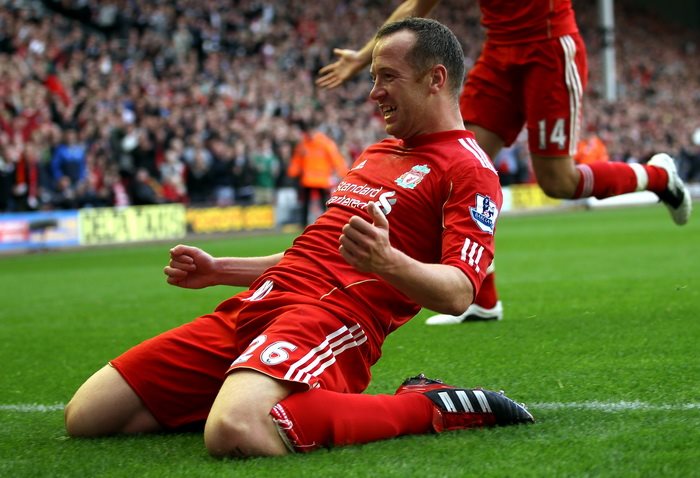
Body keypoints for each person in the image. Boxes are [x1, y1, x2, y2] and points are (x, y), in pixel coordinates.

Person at [64, 18, 534, 458]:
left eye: (388, 77)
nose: (374, 92)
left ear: (435, 79)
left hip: (329, 319)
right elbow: (313, 256)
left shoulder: (469, 170)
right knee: (89, 415)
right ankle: (259, 394)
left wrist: (387, 261)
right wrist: (220, 269)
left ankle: (429, 405)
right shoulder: (376, 153)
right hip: (257, 306)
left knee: (234, 430)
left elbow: (459, 292)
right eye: (373, 78)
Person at [316, 0, 693, 325]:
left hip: (549, 48)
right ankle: (483, 298)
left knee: (558, 182)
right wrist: (364, 56)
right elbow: (417, 6)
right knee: (454, 161)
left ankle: (658, 176)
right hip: (499, 54)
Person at [287, 120, 349, 227]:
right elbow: (297, 160)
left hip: (319, 179)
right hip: (310, 179)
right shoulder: (307, 144)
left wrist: (343, 172)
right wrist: (292, 172)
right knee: (308, 203)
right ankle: (306, 223)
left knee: (321, 202)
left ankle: (325, 221)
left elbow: (335, 159)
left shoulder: (322, 143)